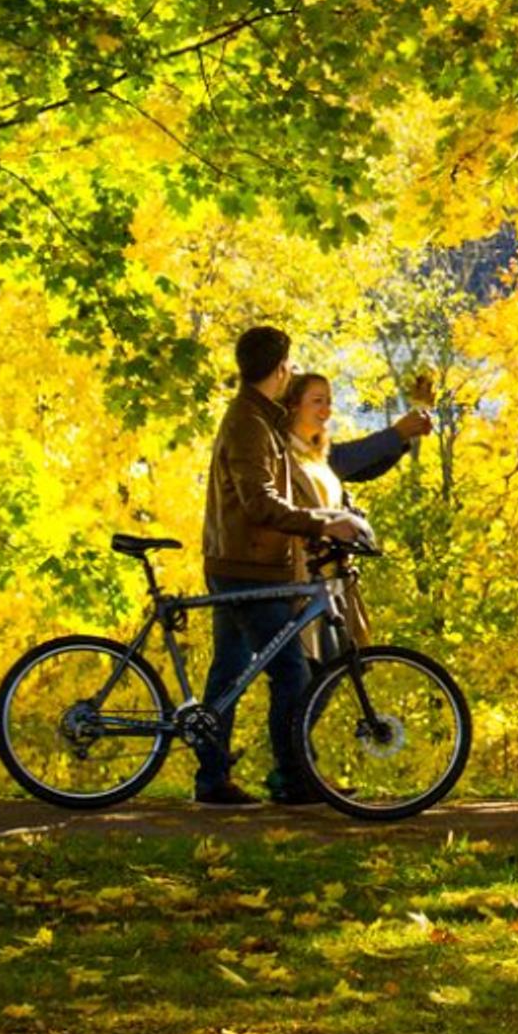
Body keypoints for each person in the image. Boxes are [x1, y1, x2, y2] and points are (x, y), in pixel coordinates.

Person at [196, 325, 359, 807]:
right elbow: (258, 503)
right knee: (291, 672)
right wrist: (321, 524)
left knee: (227, 671)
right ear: (281, 368)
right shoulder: (250, 422)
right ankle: (294, 778)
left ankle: (211, 780)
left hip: (240, 558)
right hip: (248, 564)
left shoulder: (258, 416)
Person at [279, 372, 435, 655]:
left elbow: (360, 467)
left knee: (321, 678)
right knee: (304, 676)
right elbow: (348, 460)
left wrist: (402, 436)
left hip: (327, 577)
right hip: (302, 578)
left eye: (328, 401)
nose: (326, 410)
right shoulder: (286, 452)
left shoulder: (315, 452)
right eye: (317, 401)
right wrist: (397, 433)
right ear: (293, 406)